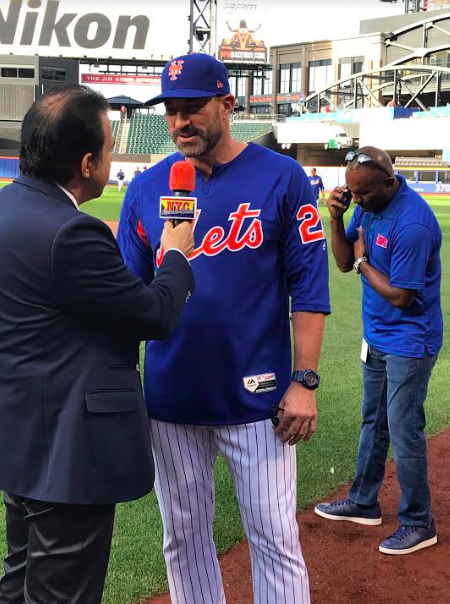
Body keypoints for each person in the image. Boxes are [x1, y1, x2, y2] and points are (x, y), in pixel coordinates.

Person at [118, 53, 330, 604]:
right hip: (171, 399)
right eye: (171, 110)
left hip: (259, 400)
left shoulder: (282, 178)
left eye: (192, 108)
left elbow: (309, 288)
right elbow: (128, 303)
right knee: (183, 539)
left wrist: (305, 380)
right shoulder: (147, 188)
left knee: (275, 538)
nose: (180, 122)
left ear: (227, 104)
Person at [0, 85, 195, 604]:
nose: (109, 159)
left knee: (20, 580)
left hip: (21, 436)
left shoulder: (9, 207)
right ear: (87, 163)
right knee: (60, 594)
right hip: (68, 450)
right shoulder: (73, 233)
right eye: (108, 149)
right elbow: (154, 314)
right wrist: (177, 253)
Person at [315, 147, 442, 556]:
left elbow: (402, 297)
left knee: (404, 429)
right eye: (351, 192)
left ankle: (419, 522)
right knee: (374, 421)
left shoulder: (413, 223)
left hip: (410, 339)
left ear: (389, 183)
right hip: (378, 336)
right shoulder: (367, 206)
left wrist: (364, 263)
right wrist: (337, 219)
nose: (356, 199)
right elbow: (341, 263)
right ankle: (363, 501)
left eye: (363, 194)